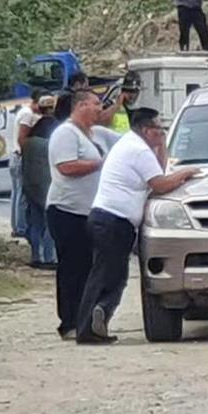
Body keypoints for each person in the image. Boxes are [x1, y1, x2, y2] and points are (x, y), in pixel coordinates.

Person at [76, 108, 198, 344]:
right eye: (158, 129)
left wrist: (161, 146)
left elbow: (158, 171)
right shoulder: (137, 149)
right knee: (106, 275)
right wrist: (186, 173)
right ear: (145, 129)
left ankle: (98, 317)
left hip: (112, 220)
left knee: (113, 274)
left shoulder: (134, 146)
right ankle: (92, 322)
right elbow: (160, 184)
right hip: (113, 220)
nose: (161, 133)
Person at [47, 90, 121, 340]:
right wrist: (101, 163)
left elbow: (125, 143)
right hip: (67, 210)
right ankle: (68, 321)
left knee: (90, 266)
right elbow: (66, 167)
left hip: (91, 211)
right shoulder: (65, 134)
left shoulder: (96, 134)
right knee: (72, 267)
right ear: (80, 106)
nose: (100, 108)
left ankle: (86, 318)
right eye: (96, 104)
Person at [20, 94, 58, 269]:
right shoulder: (57, 132)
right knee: (50, 222)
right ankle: (50, 258)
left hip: (31, 184)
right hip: (48, 185)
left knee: (35, 221)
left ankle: (36, 255)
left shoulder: (31, 134)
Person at [9, 89, 44, 239]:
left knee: (17, 193)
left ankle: (17, 225)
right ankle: (21, 227)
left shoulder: (24, 112)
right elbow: (22, 138)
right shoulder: (27, 114)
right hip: (21, 157)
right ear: (36, 102)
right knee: (22, 195)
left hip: (15, 157)